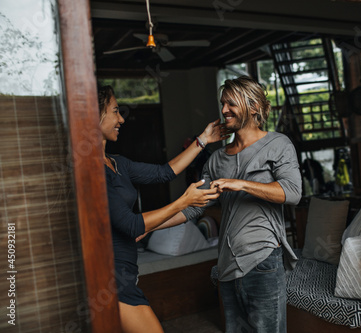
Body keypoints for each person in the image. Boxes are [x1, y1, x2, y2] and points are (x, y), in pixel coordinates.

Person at [146, 76, 302, 332]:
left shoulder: (278, 144)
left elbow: (293, 191)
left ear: (253, 107)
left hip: (263, 259)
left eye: (232, 103)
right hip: (227, 265)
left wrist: (240, 184)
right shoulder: (217, 159)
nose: (224, 110)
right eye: (223, 103)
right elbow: (195, 207)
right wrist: (148, 226)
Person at [98, 85, 227, 333]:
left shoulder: (117, 163)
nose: (121, 119)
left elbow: (163, 172)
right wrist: (184, 201)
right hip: (110, 279)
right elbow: (132, 224)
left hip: (125, 272)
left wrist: (203, 140)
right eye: (115, 111)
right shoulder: (93, 171)